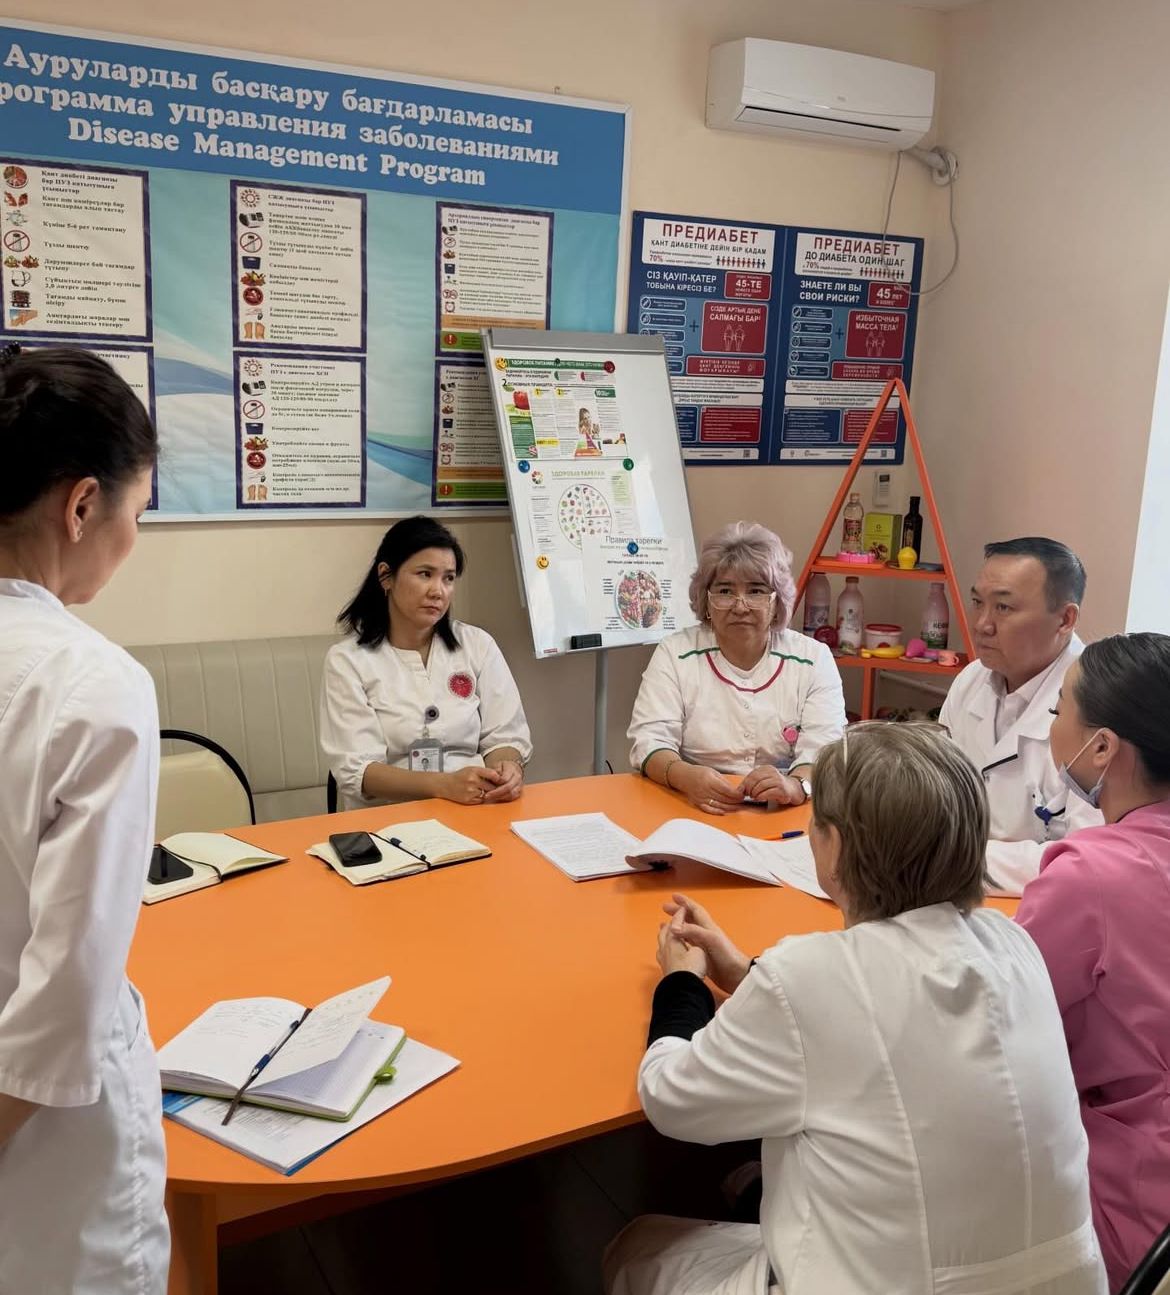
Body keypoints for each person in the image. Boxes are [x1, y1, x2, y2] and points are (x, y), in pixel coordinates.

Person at [605, 723, 1106, 1295]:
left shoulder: (808, 977)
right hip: (1065, 1283)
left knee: (636, 1250)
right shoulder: (1013, 943)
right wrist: (747, 973)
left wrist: (681, 983)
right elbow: (879, 1009)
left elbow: (672, 1100)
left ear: (835, 846)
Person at [0, 346, 169, 1292]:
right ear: (81, 507)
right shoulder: (94, 682)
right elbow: (67, 996)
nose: (131, 538)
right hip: (46, 1148)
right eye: (136, 513)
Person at [1016, 633, 1170, 1292]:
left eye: (1058, 713)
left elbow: (992, 1022)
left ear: (1102, 747)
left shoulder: (1091, 879)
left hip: (1131, 1205)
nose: (1053, 729)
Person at [628, 522, 845, 814]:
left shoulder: (813, 659)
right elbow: (649, 740)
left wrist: (795, 786)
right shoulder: (675, 653)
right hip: (692, 804)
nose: (740, 606)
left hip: (784, 812)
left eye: (756, 591)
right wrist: (686, 777)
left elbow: (826, 749)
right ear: (706, 601)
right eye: (725, 591)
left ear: (777, 601)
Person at [320, 515, 532, 811]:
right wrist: (444, 786)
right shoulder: (348, 661)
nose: (438, 591)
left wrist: (507, 769)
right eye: (425, 574)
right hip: (388, 817)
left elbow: (504, 736)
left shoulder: (477, 644)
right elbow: (359, 771)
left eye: (448, 578)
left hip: (474, 809)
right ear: (386, 576)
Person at [939, 536, 1102, 894]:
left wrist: (949, 858)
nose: (982, 624)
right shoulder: (971, 681)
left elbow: (1089, 858)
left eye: (1004, 607)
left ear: (1065, 619)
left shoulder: (1099, 705)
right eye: (978, 603)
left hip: (1046, 906)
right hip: (951, 893)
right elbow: (936, 792)